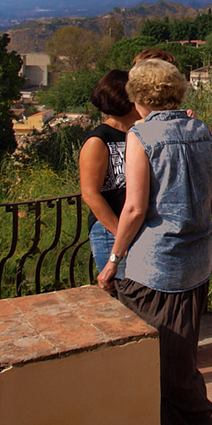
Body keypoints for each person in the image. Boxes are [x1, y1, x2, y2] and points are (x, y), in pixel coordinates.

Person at [97, 58, 212, 425]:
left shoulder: (141, 136)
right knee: (178, 362)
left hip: (155, 270)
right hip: (196, 266)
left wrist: (113, 260)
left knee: (171, 370)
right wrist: (194, 216)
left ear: (138, 99)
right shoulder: (203, 130)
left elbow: (136, 209)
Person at [79, 70, 140, 279]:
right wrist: (120, 235)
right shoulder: (98, 141)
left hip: (135, 229)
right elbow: (90, 194)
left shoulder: (139, 133)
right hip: (110, 232)